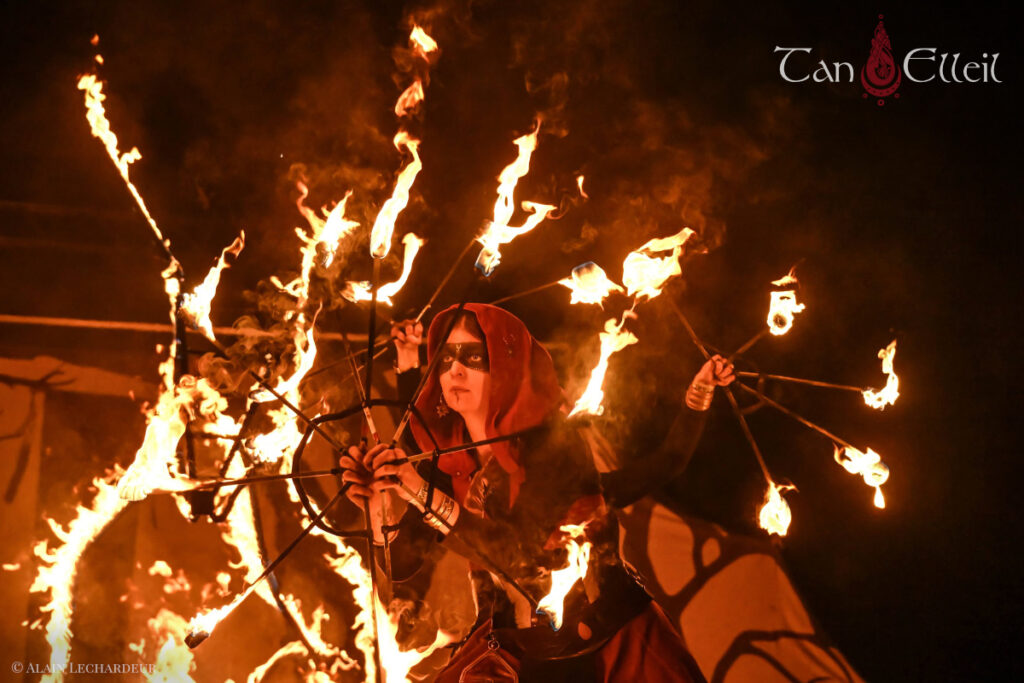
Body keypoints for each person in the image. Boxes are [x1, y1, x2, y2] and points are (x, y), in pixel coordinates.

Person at [341, 303, 734, 681]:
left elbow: (516, 554)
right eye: (445, 358)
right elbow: (400, 563)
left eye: (473, 357)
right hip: (513, 649)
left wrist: (415, 488)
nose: (454, 369)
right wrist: (377, 503)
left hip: (610, 646)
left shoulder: (554, 447)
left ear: (506, 365)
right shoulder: (450, 464)